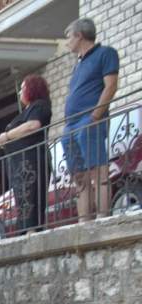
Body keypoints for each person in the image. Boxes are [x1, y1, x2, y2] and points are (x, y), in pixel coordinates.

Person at [63, 18, 119, 220]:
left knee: (98, 172)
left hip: (89, 121)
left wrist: (95, 116)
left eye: (68, 37)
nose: (67, 42)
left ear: (79, 35)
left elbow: (111, 86)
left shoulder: (105, 53)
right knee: (79, 177)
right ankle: (84, 222)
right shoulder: (78, 65)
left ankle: (103, 219)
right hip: (70, 125)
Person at [0, 75, 52, 235]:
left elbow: (33, 125)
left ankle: (31, 231)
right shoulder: (28, 110)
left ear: (32, 89)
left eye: (23, 88)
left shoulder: (39, 106)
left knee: (31, 197)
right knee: (23, 200)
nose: (20, 92)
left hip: (31, 163)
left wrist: (7, 136)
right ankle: (27, 231)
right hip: (20, 166)